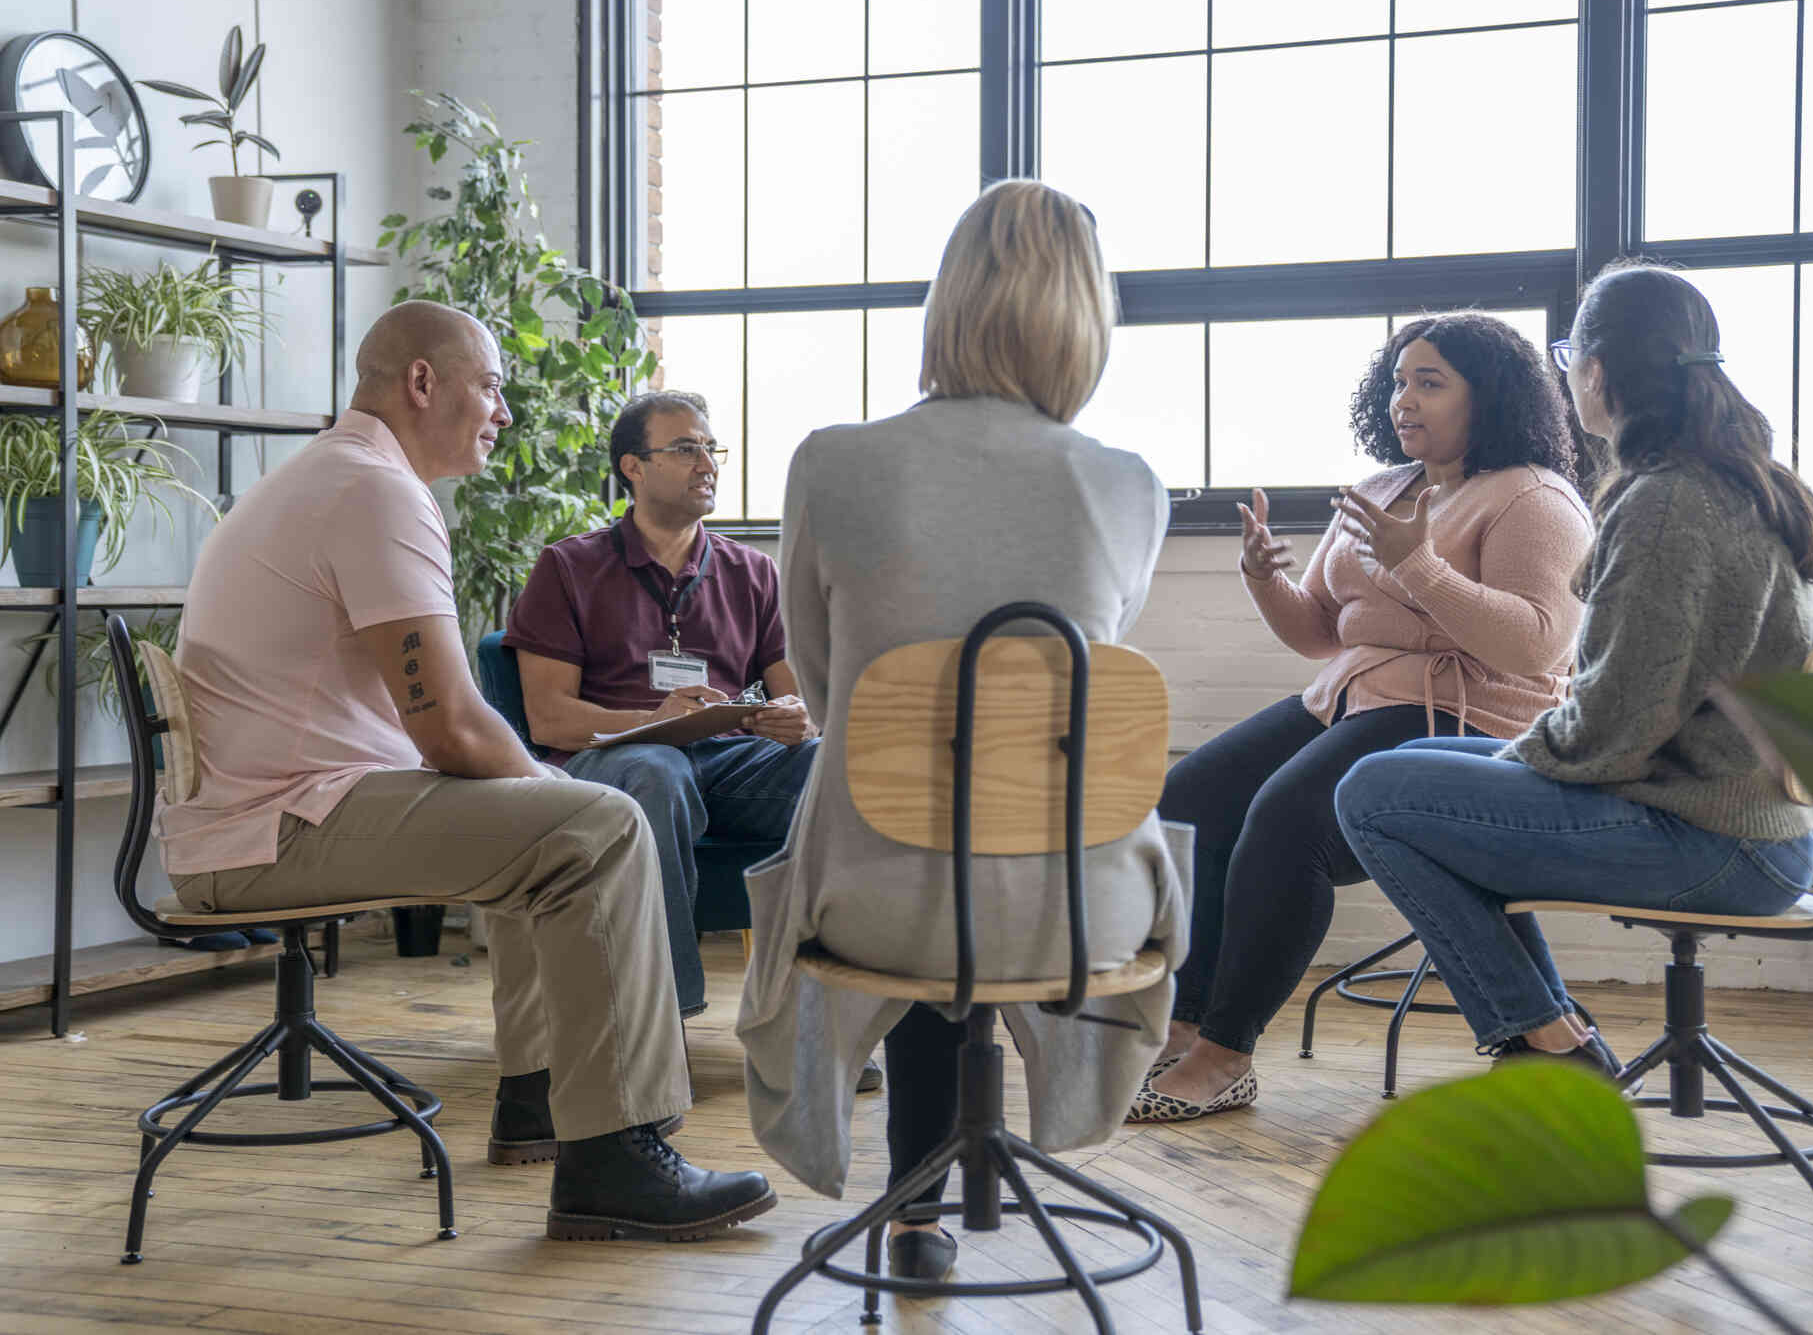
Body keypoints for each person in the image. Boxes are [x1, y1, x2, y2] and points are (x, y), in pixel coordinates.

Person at [158, 300, 775, 1241]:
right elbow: (448, 725)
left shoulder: (343, 476)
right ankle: (617, 1153)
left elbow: (450, 735)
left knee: (540, 816)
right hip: (279, 825)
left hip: (278, 810)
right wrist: (551, 783)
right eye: (490, 385)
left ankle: (537, 1097)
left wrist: (533, 783)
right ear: (421, 383)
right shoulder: (373, 490)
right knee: (595, 820)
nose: (504, 411)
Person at [737, 180, 1189, 1282]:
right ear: (1087, 317)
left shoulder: (830, 463)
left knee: (921, 825)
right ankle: (925, 1200)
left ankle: (913, 1202)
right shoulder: (1130, 486)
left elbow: (829, 683)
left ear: (946, 300)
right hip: (1082, 905)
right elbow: (1057, 717)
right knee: (995, 825)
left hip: (885, 894)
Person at [1334, 262, 1813, 1069]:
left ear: (1594, 371)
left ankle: (1543, 1042)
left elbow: (1610, 732)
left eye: (1568, 355)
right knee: (1414, 762)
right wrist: (1506, 765)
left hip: (1713, 838)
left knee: (1371, 793)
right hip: (1752, 820)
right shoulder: (1735, 478)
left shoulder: (1665, 503)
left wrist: (1515, 763)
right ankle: (1548, 1031)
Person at [1135, 312, 1594, 1123]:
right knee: (1190, 798)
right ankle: (1188, 1016)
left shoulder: (1533, 498)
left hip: (1467, 717)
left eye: (1428, 382)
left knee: (1285, 822)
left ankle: (1224, 1054)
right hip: (1350, 698)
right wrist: (1263, 579)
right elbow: (1318, 632)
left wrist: (1416, 566)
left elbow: (1536, 645)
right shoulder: (1385, 488)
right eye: (1395, 381)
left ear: (1487, 398)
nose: (1401, 401)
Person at [503, 391, 823, 1023]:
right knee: (658, 769)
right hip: (613, 762)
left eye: (710, 448)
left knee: (828, 767)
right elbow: (549, 718)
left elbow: (801, 692)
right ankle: (662, 1018)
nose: (706, 462)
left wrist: (797, 717)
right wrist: (655, 722)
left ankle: (813, 1012)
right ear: (633, 468)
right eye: (685, 448)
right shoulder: (568, 567)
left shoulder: (753, 572)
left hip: (728, 760)